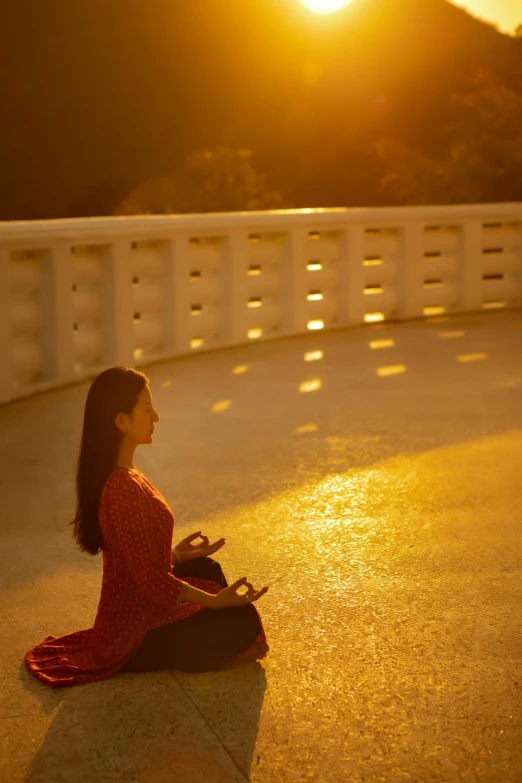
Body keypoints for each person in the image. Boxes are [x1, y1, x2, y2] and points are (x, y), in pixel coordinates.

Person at [25, 366, 269, 688]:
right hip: (134, 632)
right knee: (241, 619)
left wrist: (177, 556)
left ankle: (209, 635)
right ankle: (196, 651)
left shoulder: (125, 472)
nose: (156, 417)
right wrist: (216, 602)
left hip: (135, 606)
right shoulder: (123, 487)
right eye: (147, 409)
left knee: (207, 567)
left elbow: (134, 556)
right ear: (121, 420)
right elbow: (154, 586)